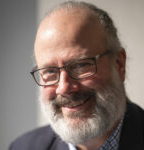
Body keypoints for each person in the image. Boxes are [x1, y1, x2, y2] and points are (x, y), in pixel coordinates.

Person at [9, 1, 144, 150]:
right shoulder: (23, 147)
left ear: (119, 64)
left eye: (80, 65)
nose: (64, 88)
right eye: (50, 71)